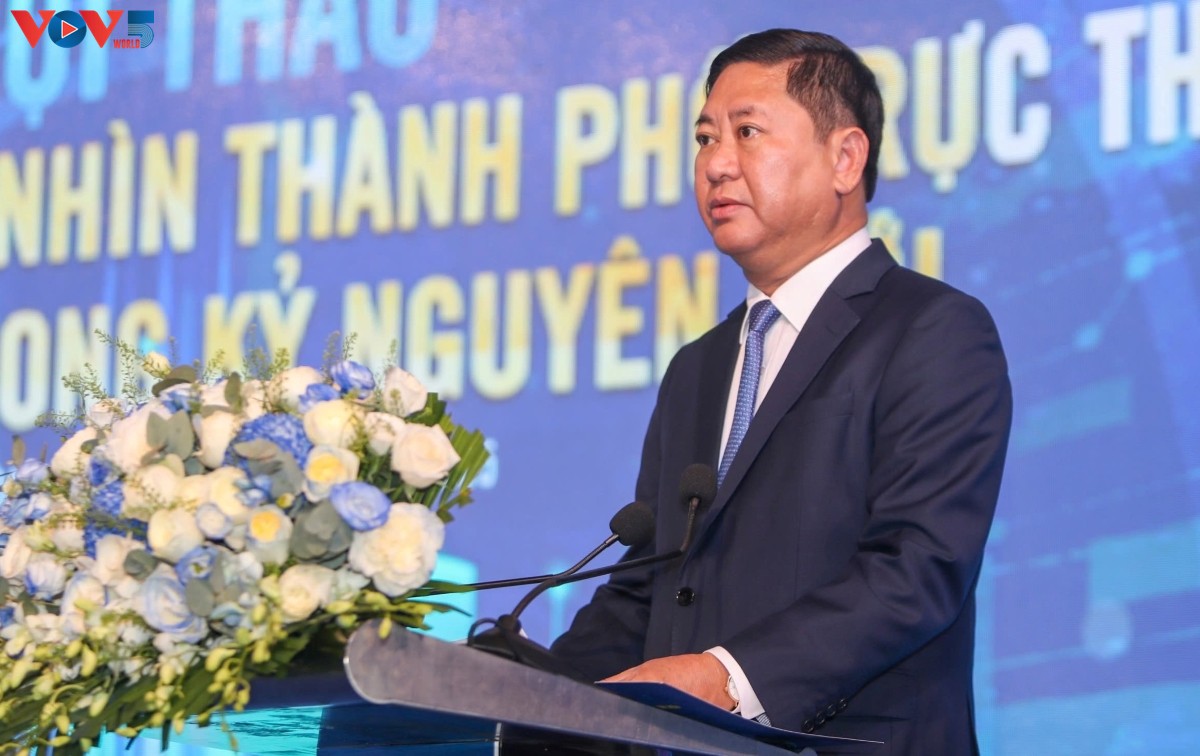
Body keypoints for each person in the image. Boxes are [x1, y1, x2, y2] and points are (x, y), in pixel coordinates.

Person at [549, 29, 1012, 755]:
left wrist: (726, 678)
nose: (716, 163)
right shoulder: (698, 367)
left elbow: (917, 568)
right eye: (705, 138)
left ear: (845, 158)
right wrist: (505, 689)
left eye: (747, 132)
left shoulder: (932, 329)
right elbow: (649, 589)